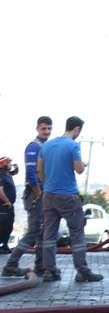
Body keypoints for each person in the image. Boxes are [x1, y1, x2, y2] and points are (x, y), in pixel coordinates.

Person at [39, 116, 103, 282]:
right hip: (68, 196)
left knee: (49, 235)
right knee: (77, 233)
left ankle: (49, 271)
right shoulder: (73, 145)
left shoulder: (47, 145)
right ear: (77, 129)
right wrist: (83, 164)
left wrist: (47, 186)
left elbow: (39, 170)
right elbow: (79, 169)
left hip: (48, 195)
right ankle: (82, 271)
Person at [2, 116, 53, 277]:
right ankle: (11, 265)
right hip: (35, 194)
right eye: (44, 128)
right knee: (34, 231)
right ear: (37, 129)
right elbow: (31, 172)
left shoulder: (46, 146)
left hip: (43, 194)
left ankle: (40, 265)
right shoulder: (34, 147)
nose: (47, 131)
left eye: (49, 128)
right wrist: (38, 193)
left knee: (42, 232)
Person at [0, 157, 16, 253]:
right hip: (3, 206)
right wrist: (7, 201)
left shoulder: (8, 174)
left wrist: (16, 168)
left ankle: (5, 245)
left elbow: (14, 172)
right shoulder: (1, 175)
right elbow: (0, 190)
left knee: (9, 227)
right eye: (9, 163)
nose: (10, 165)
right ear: (4, 164)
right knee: (3, 227)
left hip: (9, 207)